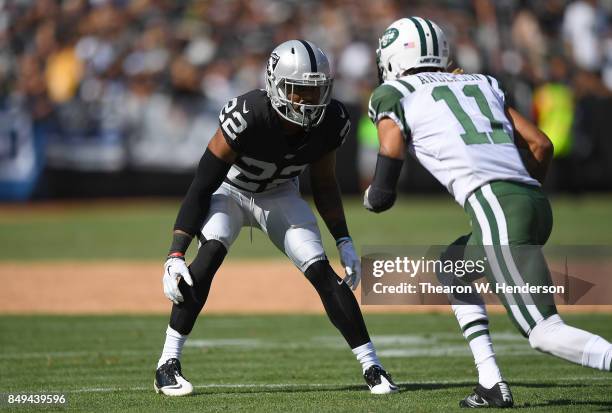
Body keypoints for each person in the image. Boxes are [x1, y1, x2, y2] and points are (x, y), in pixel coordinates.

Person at [365, 17, 612, 408]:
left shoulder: (393, 91)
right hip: (530, 202)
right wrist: (519, 193)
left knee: (544, 332)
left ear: (395, 56)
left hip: (496, 207)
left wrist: (377, 193)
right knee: (451, 267)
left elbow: (391, 147)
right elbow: (541, 145)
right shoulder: (481, 82)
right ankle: (490, 383)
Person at [154, 39, 398, 397]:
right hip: (231, 191)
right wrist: (176, 252)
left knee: (321, 271)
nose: (308, 101)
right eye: (299, 90)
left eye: (316, 91)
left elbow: (325, 183)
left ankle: (373, 366)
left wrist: (343, 238)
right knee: (208, 257)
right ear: (275, 84)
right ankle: (167, 364)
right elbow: (203, 183)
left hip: (280, 194)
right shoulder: (248, 114)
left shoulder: (332, 119)